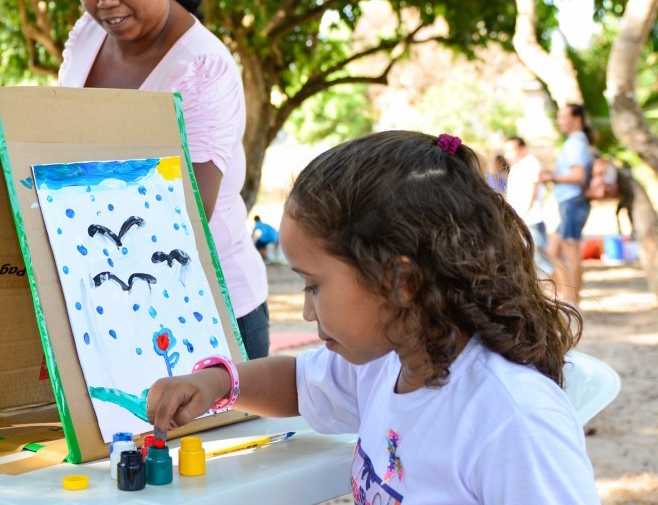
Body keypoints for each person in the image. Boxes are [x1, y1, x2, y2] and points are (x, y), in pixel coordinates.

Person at [147, 131, 597, 504]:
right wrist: (217, 384)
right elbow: (297, 384)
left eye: (314, 286)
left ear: (401, 280)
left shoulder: (513, 420)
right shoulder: (391, 361)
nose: (306, 310)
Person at [58, 0, 270, 359]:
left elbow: (189, 213)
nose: (104, 1)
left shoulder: (201, 68)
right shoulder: (86, 34)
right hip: (113, 294)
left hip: (208, 307)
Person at [539, 104, 594, 305]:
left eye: (564, 117)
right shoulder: (574, 142)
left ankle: (574, 301)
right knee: (553, 250)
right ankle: (567, 295)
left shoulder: (576, 143)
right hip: (568, 203)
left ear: (577, 119)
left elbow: (578, 175)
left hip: (573, 202)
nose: (560, 121)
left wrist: (552, 177)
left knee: (572, 253)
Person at [503, 136, 553, 276]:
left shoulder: (529, 163)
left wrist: (521, 218)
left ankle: (564, 294)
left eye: (512, 150)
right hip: (522, 221)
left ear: (523, 149)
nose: (508, 154)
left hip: (530, 221)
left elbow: (531, 194)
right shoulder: (517, 167)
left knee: (543, 263)